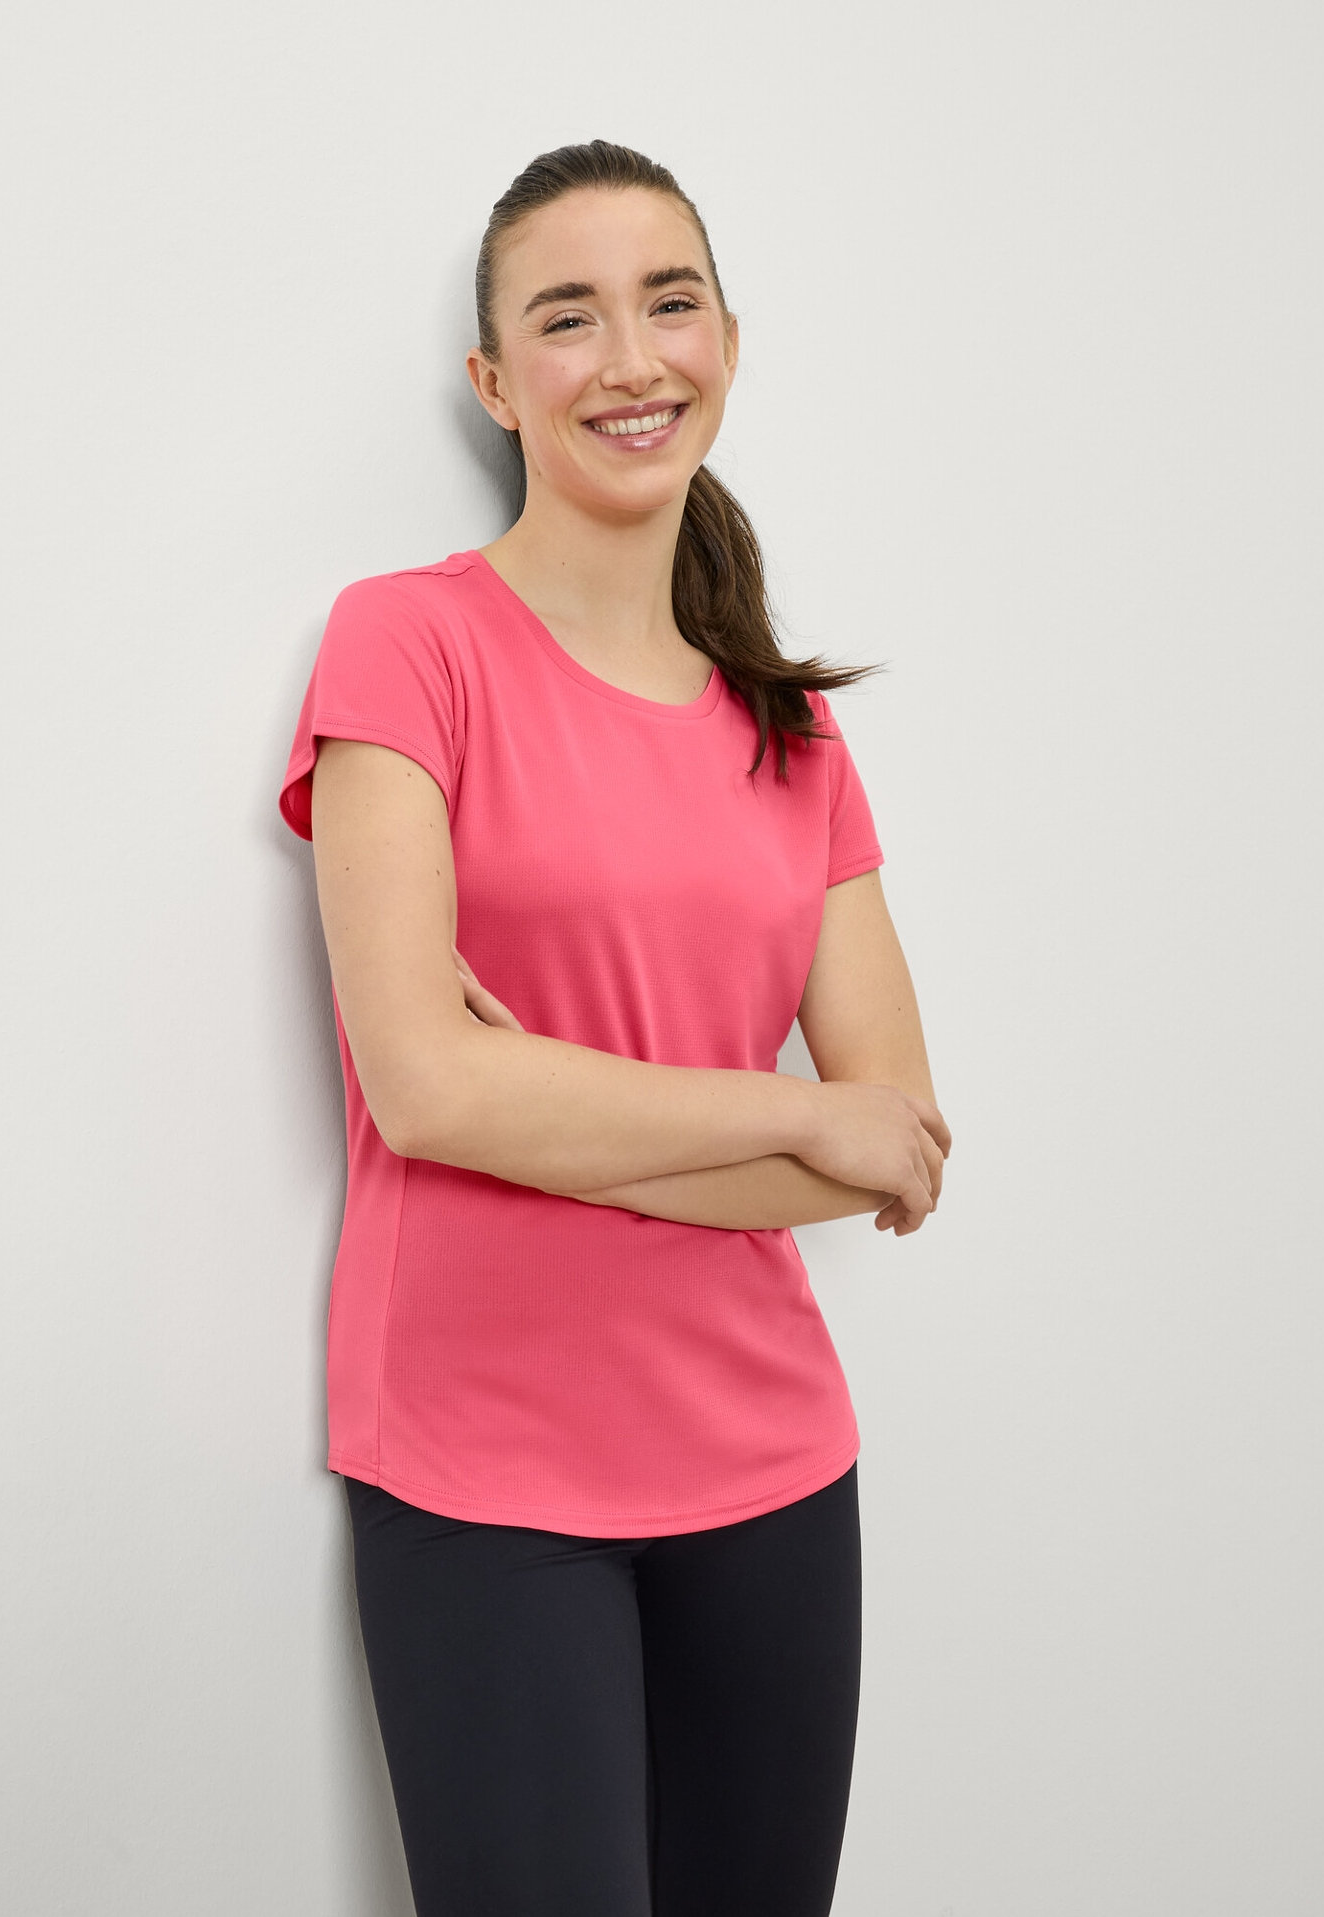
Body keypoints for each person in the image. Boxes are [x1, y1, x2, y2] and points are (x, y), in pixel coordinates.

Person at [277, 140, 950, 1917]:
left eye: (669, 303)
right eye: (566, 319)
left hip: (772, 1467)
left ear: (728, 340)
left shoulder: (790, 731)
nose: (630, 359)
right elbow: (425, 1089)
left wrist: (550, 1103)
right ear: (495, 382)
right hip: (482, 1472)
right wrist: (779, 1114)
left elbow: (891, 1141)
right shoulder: (405, 646)